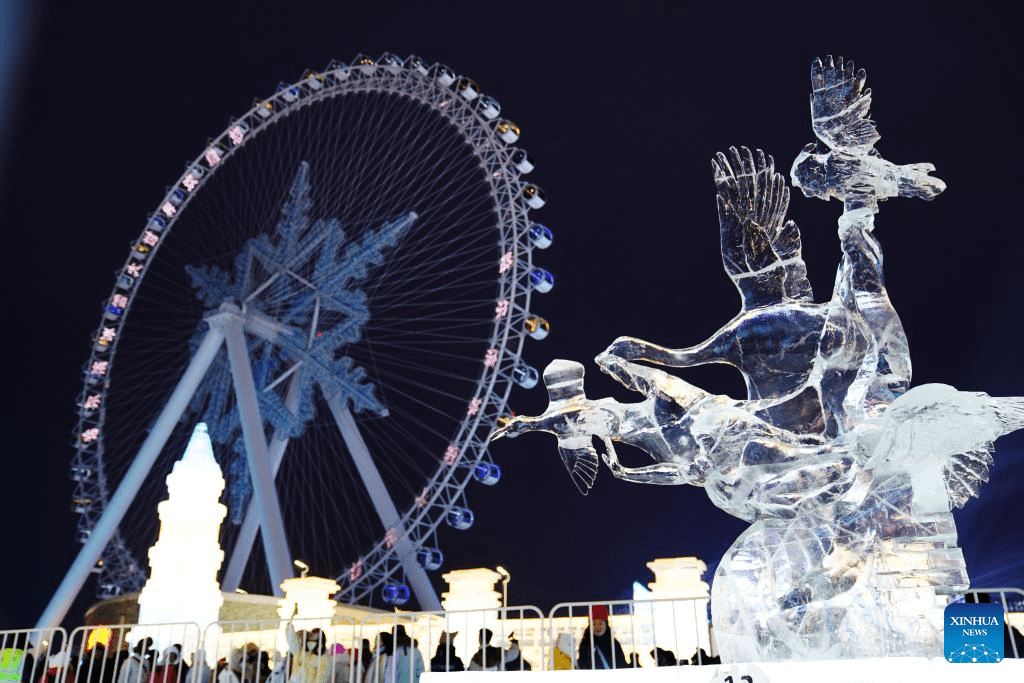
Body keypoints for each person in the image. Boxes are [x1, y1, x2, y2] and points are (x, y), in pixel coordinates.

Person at [576, 606, 626, 670]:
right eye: (594, 624)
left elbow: (621, 666)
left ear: (606, 624)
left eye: (601, 623)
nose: (597, 627)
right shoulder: (585, 644)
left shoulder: (614, 644)